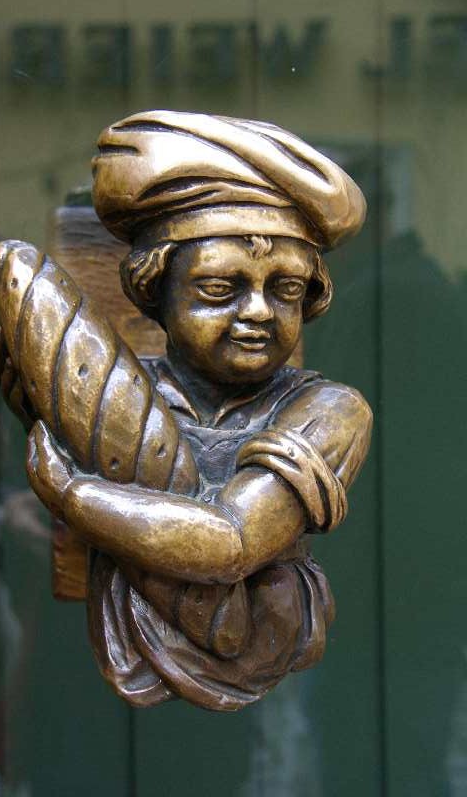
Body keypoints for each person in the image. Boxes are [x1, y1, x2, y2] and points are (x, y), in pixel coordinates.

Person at [27, 111, 373, 710]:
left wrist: (74, 497)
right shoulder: (115, 395)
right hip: (112, 646)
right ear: (154, 290)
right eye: (219, 289)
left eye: (286, 290)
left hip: (254, 650)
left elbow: (230, 542)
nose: (259, 311)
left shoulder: (330, 411)